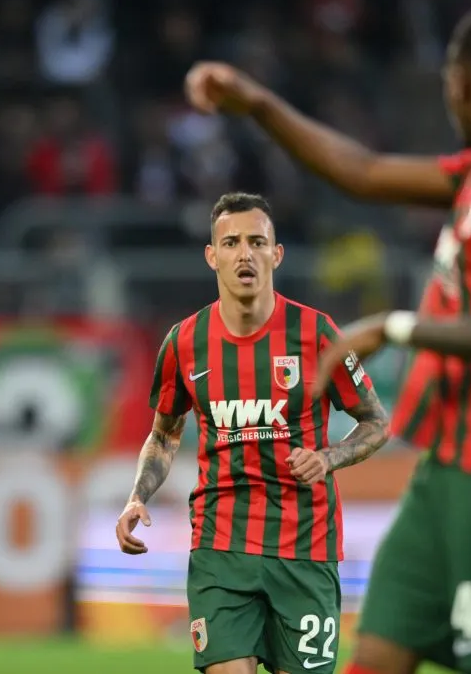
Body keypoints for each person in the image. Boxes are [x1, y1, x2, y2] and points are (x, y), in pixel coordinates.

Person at [184, 7, 471, 674]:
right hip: (448, 471)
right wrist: (256, 103)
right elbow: (363, 172)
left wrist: (391, 326)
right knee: (374, 657)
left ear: (460, 83)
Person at [115, 192, 391, 674]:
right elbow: (163, 435)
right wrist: (137, 496)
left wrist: (329, 458)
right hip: (220, 546)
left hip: (305, 546)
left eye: (257, 242)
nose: (245, 253)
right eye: (231, 242)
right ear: (212, 255)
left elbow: (377, 422)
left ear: (276, 254)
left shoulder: (318, 333)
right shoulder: (183, 342)